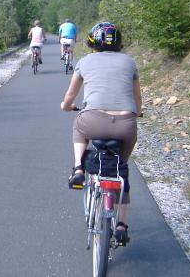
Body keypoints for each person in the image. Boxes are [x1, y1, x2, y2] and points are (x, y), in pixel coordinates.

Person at [60, 22, 142, 245]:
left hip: (93, 121)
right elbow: (137, 101)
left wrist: (66, 106)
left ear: (92, 43)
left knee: (78, 124)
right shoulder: (129, 62)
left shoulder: (85, 62)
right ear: (119, 43)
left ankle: (78, 167)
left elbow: (70, 95)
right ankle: (122, 225)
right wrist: (139, 113)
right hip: (126, 125)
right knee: (121, 172)